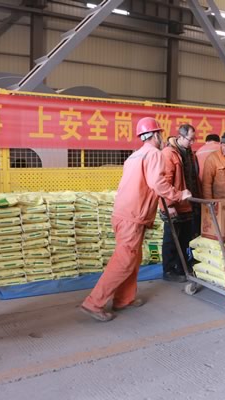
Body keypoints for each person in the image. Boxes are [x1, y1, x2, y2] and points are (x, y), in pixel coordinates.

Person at [81, 117, 192, 322]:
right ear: (156, 135)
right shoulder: (154, 154)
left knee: (133, 258)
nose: (161, 138)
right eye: (160, 134)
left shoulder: (134, 156)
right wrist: (179, 195)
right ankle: (94, 303)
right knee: (124, 260)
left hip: (125, 214)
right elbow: (158, 183)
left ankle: (124, 299)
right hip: (132, 216)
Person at [159, 124, 201, 283]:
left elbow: (193, 178)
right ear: (180, 137)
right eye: (190, 139)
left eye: (194, 139)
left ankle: (182, 267)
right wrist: (169, 205)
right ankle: (169, 270)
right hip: (174, 205)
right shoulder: (169, 154)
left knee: (185, 238)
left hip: (188, 203)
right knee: (171, 238)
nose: (192, 142)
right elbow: (164, 182)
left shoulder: (189, 153)